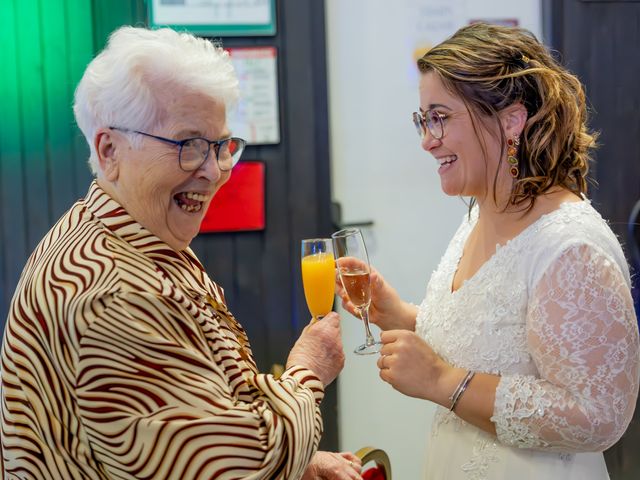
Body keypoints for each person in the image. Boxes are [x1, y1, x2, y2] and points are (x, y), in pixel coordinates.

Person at [1, 26, 363, 480]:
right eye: (188, 145)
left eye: (221, 146)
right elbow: (231, 468)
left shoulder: (129, 237)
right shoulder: (111, 293)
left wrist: (300, 464)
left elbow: (180, 423)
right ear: (109, 149)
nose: (213, 172)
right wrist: (306, 371)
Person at [337, 23, 639, 479]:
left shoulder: (570, 248)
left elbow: (597, 416)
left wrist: (439, 381)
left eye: (440, 116)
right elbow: (496, 342)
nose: (427, 139)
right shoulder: (481, 214)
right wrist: (401, 315)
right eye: (422, 120)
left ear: (510, 120)